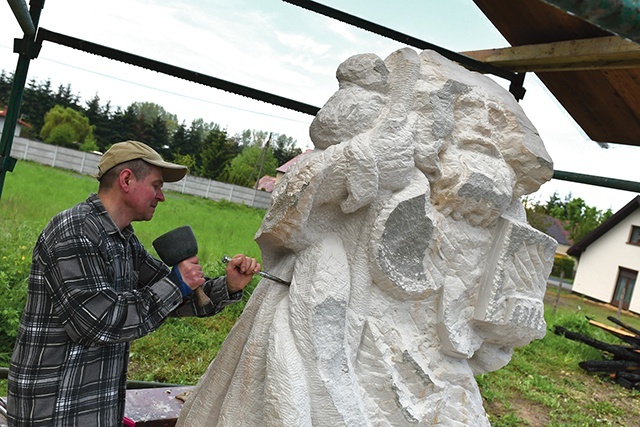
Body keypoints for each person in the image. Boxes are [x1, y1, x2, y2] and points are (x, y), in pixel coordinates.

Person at [6, 140, 261, 426]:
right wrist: (177, 284)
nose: (161, 196)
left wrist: (228, 286)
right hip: (55, 409)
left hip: (94, 406)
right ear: (126, 180)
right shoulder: (74, 233)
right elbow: (98, 323)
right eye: (156, 185)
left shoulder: (123, 240)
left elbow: (171, 297)